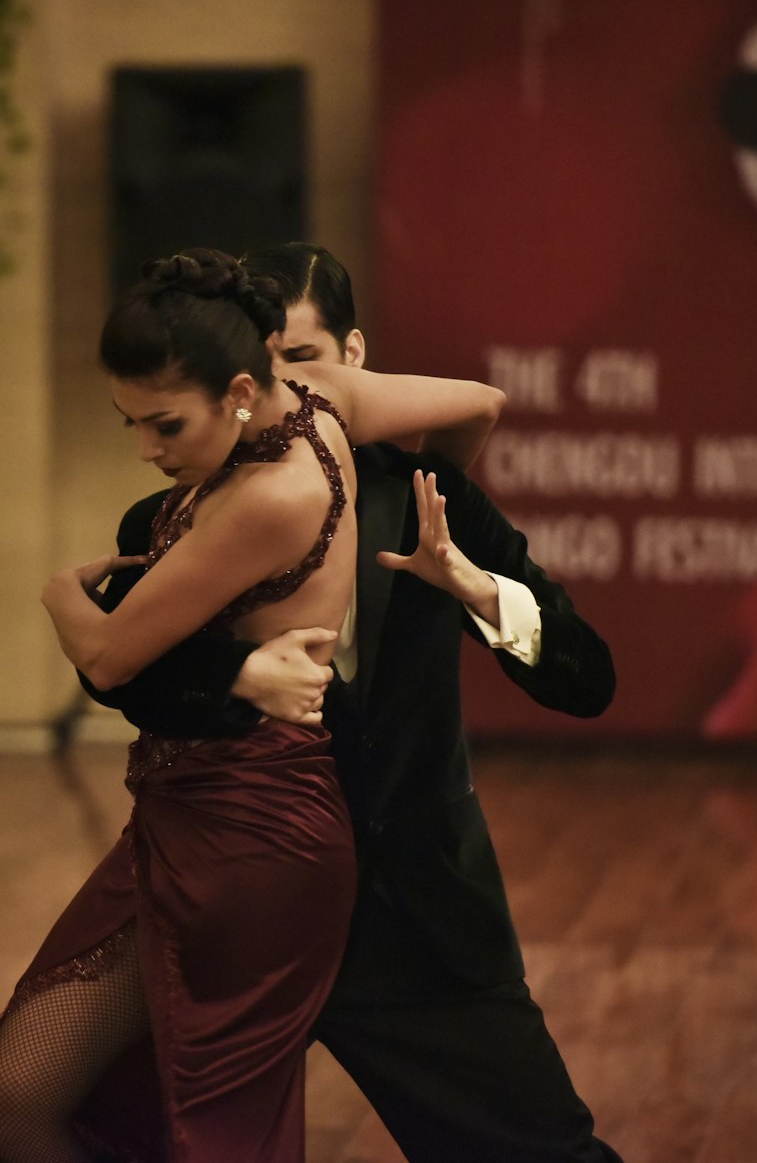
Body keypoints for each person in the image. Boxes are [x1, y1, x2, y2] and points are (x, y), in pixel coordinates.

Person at [78, 243, 622, 1163]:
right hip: (226, 908)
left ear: (356, 358)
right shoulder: (165, 519)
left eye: (302, 359)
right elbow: (120, 675)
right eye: (254, 364)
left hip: (412, 919)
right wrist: (238, 678)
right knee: (83, 1120)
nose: (269, 388)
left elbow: (587, 679)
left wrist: (477, 590)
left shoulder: (423, 497)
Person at [0, 247, 504, 1163]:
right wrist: (419, 514)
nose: (148, 452)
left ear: (239, 390)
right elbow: (480, 402)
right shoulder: (327, 403)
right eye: (130, 425)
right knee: (29, 1092)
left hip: (254, 839)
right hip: (186, 816)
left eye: (163, 425)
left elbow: (110, 657)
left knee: (206, 1130)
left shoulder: (269, 496)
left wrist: (58, 591)